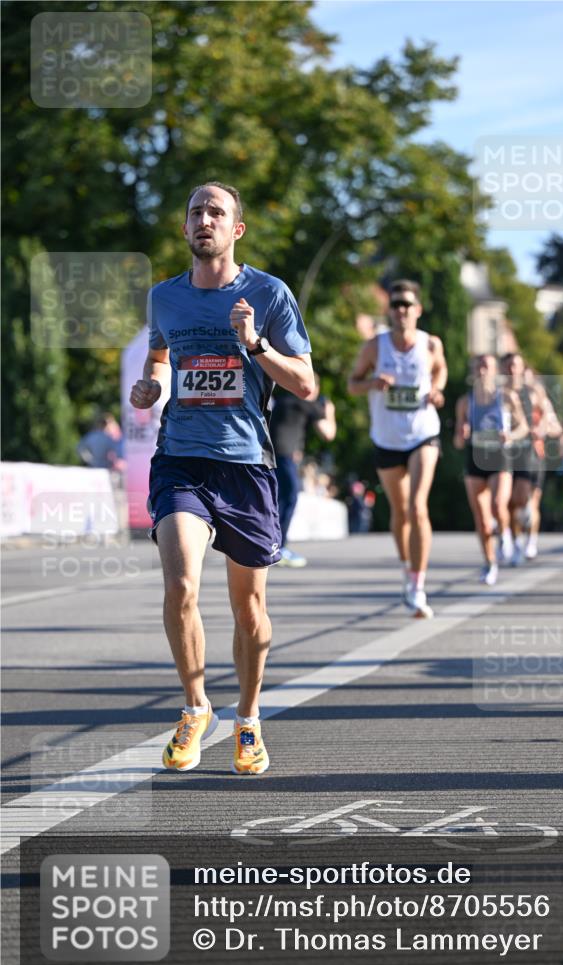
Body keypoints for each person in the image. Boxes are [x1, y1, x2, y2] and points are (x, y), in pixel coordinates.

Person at [129, 181, 314, 775]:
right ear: (185, 230)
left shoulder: (269, 293)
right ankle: (194, 706)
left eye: (216, 212)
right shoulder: (165, 298)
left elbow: (306, 384)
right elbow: (159, 357)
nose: (203, 219)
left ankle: (249, 719)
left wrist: (254, 342)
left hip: (247, 466)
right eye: (194, 212)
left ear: (236, 229)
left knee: (249, 608)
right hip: (181, 459)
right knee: (181, 585)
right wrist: (150, 384)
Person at [348, 279, 447, 617]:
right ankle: (407, 568)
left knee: (418, 507)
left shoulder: (431, 344)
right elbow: (352, 384)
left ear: (418, 310)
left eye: (407, 304)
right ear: (389, 311)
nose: (401, 310)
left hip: (423, 434)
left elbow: (441, 370)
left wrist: (437, 390)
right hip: (387, 438)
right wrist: (372, 383)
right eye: (395, 305)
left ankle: (418, 587)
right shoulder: (374, 347)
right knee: (401, 511)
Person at [453, 354, 528, 585]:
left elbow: (523, 427)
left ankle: (505, 533)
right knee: (482, 520)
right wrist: (462, 433)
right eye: (478, 367)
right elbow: (457, 441)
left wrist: (510, 435)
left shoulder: (506, 397)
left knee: (498, 504)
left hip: (500, 456)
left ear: (495, 371)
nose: (482, 371)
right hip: (475, 457)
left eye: (486, 367)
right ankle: (490, 563)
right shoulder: (465, 402)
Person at [269, 376, 336, 567]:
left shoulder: (284, 400)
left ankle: (274, 545)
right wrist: (329, 411)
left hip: (272, 454)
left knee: (278, 499)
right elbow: (328, 434)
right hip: (283, 455)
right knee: (289, 497)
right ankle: (278, 547)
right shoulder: (303, 402)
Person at [502, 355, 562, 564]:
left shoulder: (536, 396)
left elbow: (554, 425)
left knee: (528, 501)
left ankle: (531, 541)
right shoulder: (500, 394)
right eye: (508, 366)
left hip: (532, 454)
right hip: (507, 454)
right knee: (510, 504)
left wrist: (541, 428)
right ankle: (517, 541)